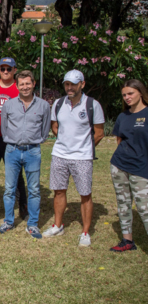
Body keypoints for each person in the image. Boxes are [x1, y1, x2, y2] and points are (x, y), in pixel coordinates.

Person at [43, 69, 105, 247]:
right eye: (66, 84)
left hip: (83, 157)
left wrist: (83, 147)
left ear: (82, 84)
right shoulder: (58, 103)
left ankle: (85, 232)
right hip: (59, 155)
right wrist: (65, 142)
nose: (69, 88)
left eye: (73, 84)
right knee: (59, 191)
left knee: (85, 194)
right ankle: (57, 225)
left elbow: (99, 133)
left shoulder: (93, 105)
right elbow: (55, 126)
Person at [0, 70, 51, 238]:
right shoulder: (9, 105)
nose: (25, 87)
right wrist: (11, 141)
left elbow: (45, 129)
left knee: (34, 189)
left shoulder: (43, 105)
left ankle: (32, 224)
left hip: (33, 151)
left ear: (33, 84)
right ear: (17, 86)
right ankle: (8, 221)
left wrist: (35, 141)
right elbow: (3, 128)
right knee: (9, 189)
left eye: (28, 83)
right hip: (12, 150)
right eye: (22, 84)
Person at [0, 57, 28, 219]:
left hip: (12, 139)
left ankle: (23, 203)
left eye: (9, 69)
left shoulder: (20, 88)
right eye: (3, 69)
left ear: (15, 70)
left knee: (16, 173)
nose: (6, 72)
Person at [109, 79, 148, 252]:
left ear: (141, 92)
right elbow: (119, 140)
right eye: (124, 95)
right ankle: (127, 241)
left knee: (144, 207)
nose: (127, 97)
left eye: (130, 93)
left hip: (141, 168)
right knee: (123, 203)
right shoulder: (123, 116)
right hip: (119, 165)